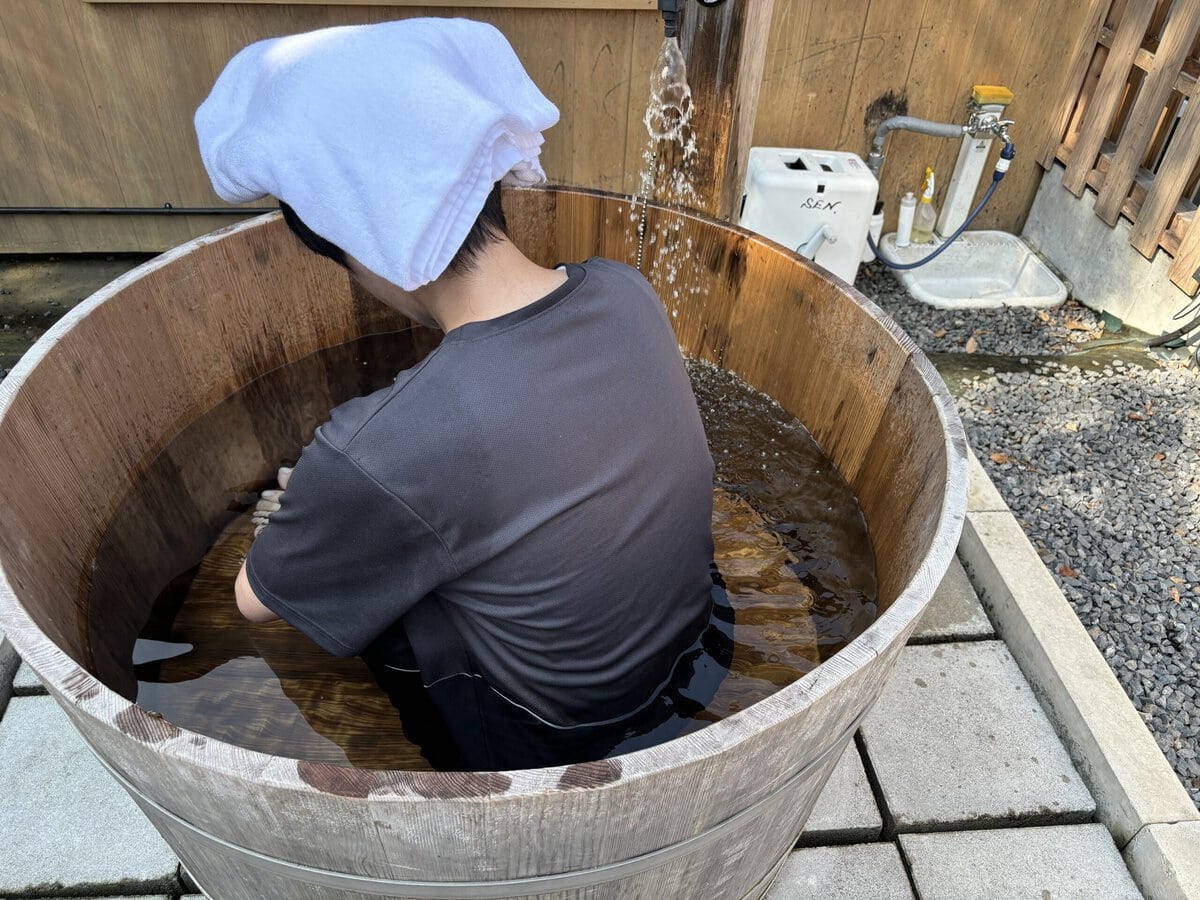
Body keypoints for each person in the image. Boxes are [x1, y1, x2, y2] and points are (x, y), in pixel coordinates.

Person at [195, 17, 724, 771]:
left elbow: (258, 600)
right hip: (694, 654)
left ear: (358, 242)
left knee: (343, 563)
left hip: (540, 740)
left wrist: (323, 502)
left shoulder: (382, 445)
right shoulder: (625, 291)